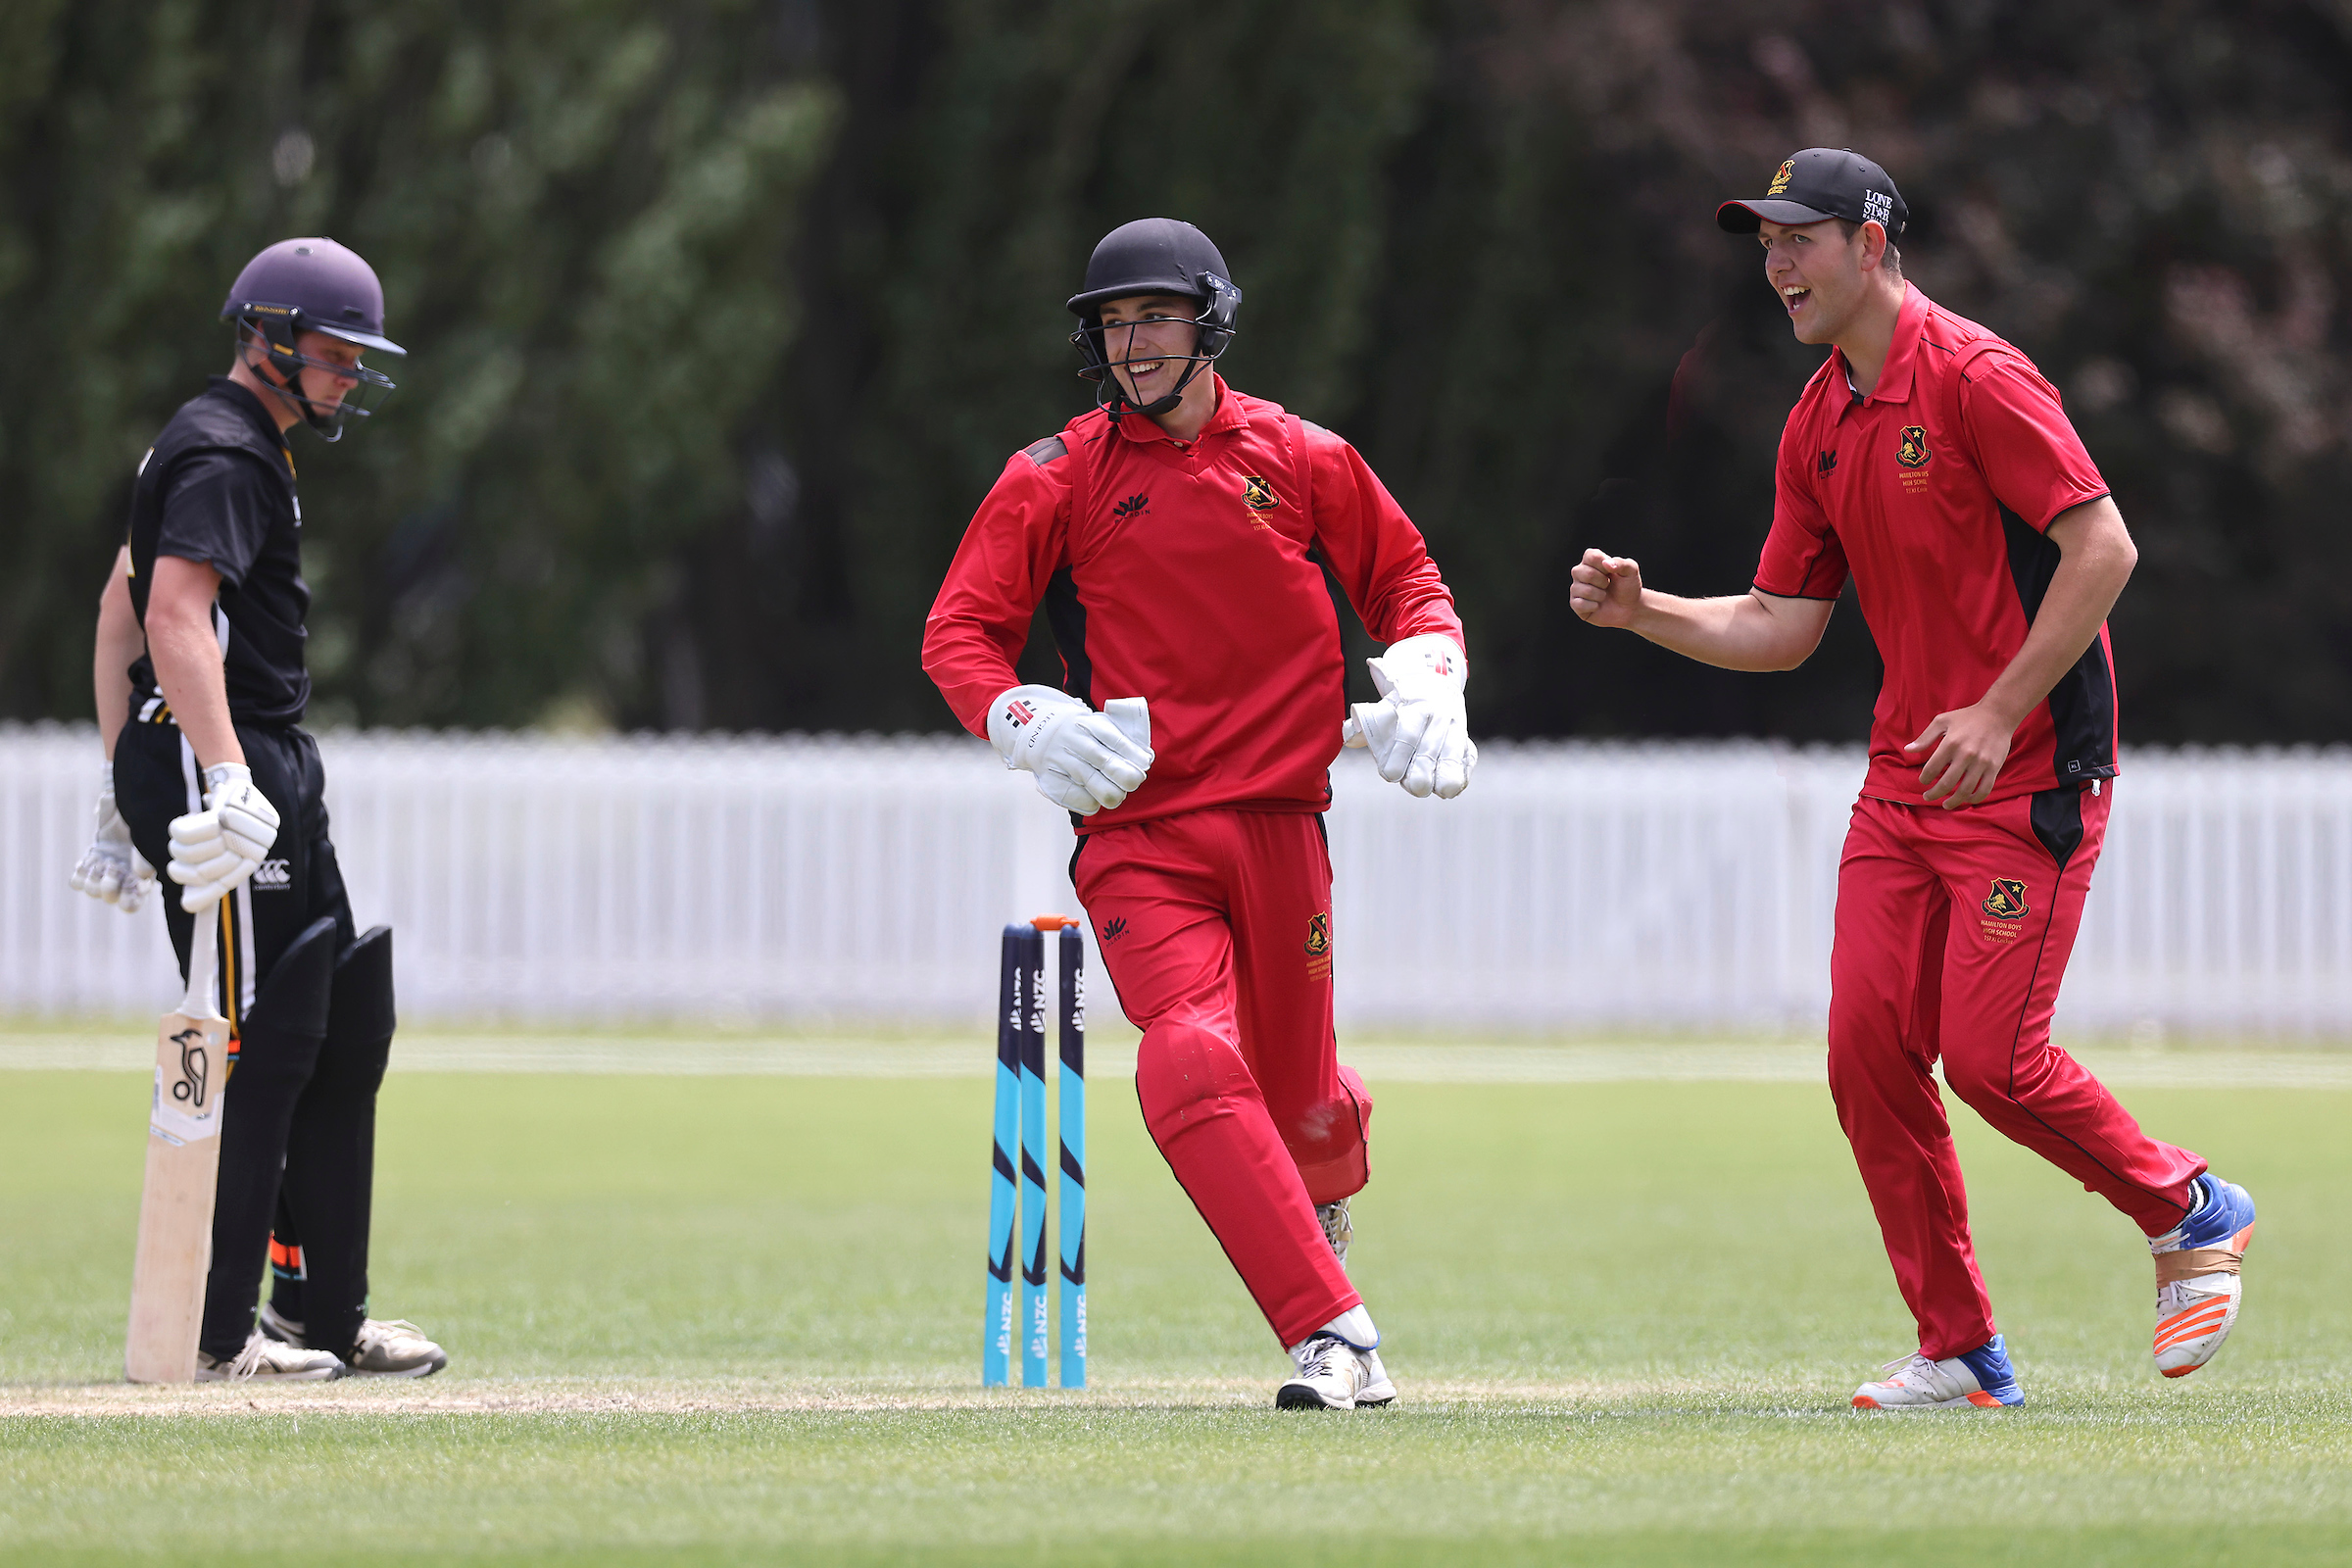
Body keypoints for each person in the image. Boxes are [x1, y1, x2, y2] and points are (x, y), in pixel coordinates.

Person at [1570, 149, 2256, 1410]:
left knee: (1991, 1061)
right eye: (1765, 243)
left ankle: (2193, 1205)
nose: (1776, 265)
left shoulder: (1979, 378)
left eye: (1801, 238)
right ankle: (1960, 1348)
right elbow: (1783, 622)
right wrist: (1646, 612)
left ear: (1873, 244)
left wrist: (2002, 710)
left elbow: (2103, 547)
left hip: (2034, 770)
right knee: (1865, 1053)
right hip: (1905, 782)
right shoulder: (1817, 423)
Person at [923, 219, 1475, 1409]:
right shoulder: (1056, 476)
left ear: (1210, 322)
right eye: (1114, 324)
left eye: (1155, 318)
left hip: (1284, 825)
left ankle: (1319, 1182)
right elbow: (958, 632)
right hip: (1140, 834)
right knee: (1183, 1056)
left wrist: (1431, 669)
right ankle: (1332, 1334)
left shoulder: (1302, 455)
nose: (1132, 346)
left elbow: (1408, 582)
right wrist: (1020, 713)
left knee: (1303, 1103)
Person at [72, 237, 446, 1381]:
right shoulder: (228, 450)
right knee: (261, 1035)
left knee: (337, 1009)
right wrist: (214, 772)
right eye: (334, 351)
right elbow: (174, 616)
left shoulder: (227, 444)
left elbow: (115, 609)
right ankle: (213, 1331)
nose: (347, 374)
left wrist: (116, 778)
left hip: (238, 755)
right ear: (271, 336)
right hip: (224, 759)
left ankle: (318, 1314)